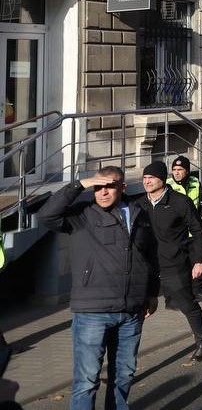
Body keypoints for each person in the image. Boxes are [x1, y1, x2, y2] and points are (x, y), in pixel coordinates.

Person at [38, 167, 159, 410]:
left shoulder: (140, 214)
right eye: (98, 187)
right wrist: (80, 184)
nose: (102, 192)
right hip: (93, 311)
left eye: (109, 186)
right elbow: (46, 216)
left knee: (123, 375)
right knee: (87, 380)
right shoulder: (82, 215)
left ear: (122, 187)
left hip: (131, 311)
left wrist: (151, 292)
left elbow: (150, 256)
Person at [139, 161, 202, 361]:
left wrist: (199, 261)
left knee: (186, 304)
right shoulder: (140, 205)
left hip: (175, 262)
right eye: (145, 178)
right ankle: (124, 359)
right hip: (148, 265)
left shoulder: (180, 202)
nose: (147, 182)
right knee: (137, 311)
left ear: (162, 179)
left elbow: (198, 231)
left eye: (151, 178)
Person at [167, 155, 202, 302]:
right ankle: (174, 296)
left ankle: (198, 290)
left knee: (198, 260)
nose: (176, 172)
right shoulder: (167, 185)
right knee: (177, 265)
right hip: (176, 234)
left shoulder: (195, 182)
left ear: (187, 171)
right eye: (174, 169)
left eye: (180, 169)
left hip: (194, 231)